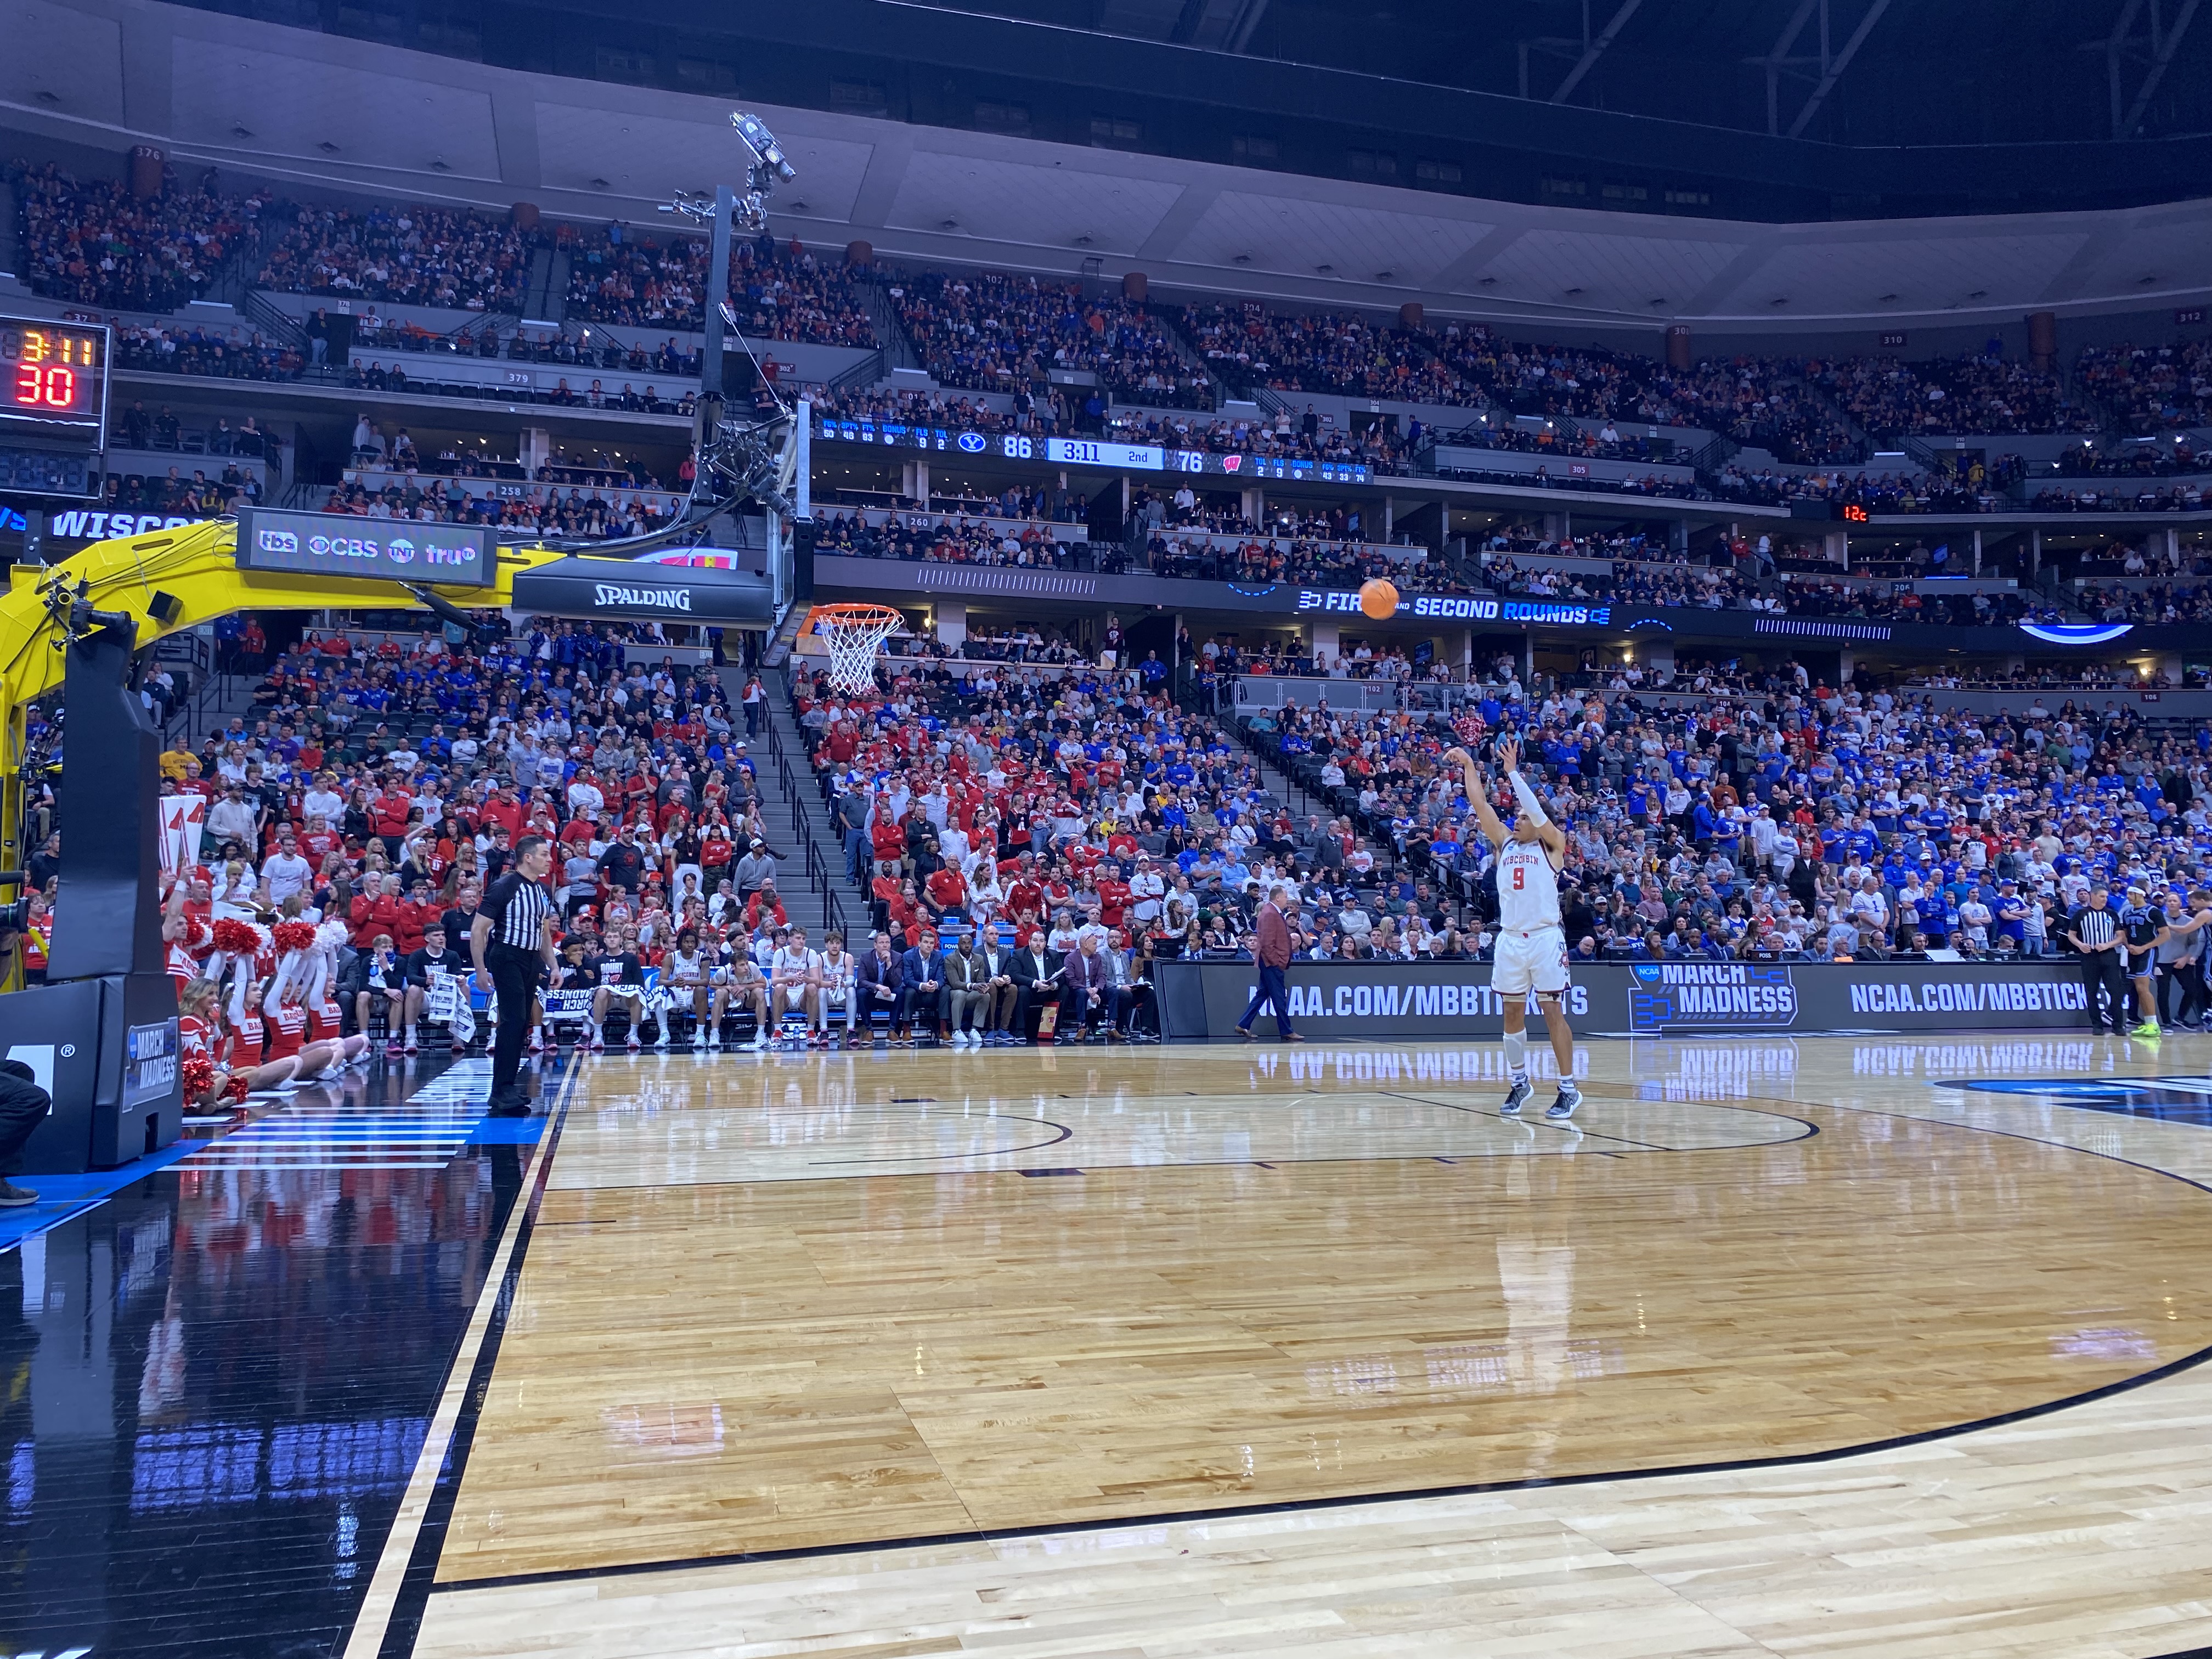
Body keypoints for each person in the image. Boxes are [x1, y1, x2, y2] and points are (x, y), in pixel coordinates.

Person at [1446, 740, 1581, 1120]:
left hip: (1544, 937)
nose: (1516, 820)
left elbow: (1537, 813)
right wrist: (1471, 766)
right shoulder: (1505, 845)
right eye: (1516, 816)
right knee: (1511, 1013)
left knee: (1553, 1011)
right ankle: (1520, 1082)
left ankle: (1568, 1089)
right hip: (1511, 938)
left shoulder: (1553, 846)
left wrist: (1512, 773)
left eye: (1522, 817)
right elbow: (1481, 806)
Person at [471, 833, 557, 1115]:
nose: (549, 859)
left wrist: (553, 965)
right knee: (513, 1019)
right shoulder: (504, 886)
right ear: (528, 858)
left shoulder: (542, 891)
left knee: (523, 1023)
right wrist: (481, 969)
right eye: (544, 854)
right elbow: (479, 929)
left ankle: (507, 1086)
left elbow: (544, 932)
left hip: (532, 959)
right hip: (507, 955)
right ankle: (500, 1090)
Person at [1234, 884, 1300, 1043]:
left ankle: (1243, 1024)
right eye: (1285, 897)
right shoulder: (1271, 913)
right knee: (1279, 997)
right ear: (1278, 898)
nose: (1287, 901)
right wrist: (1276, 962)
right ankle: (1287, 1031)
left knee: (1263, 994)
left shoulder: (1272, 912)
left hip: (1269, 962)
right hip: (1271, 963)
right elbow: (1267, 943)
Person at [2066, 882, 2125, 1035]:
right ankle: (2097, 1025)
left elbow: (2120, 937)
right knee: (2091, 991)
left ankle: (2118, 1025)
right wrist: (2080, 945)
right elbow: (2071, 935)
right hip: (2089, 956)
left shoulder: (2112, 914)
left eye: (2106, 896)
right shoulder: (2081, 914)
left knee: (2116, 991)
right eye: (2102, 896)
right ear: (2093, 896)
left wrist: (2107, 945)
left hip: (2109, 956)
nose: (2105, 899)